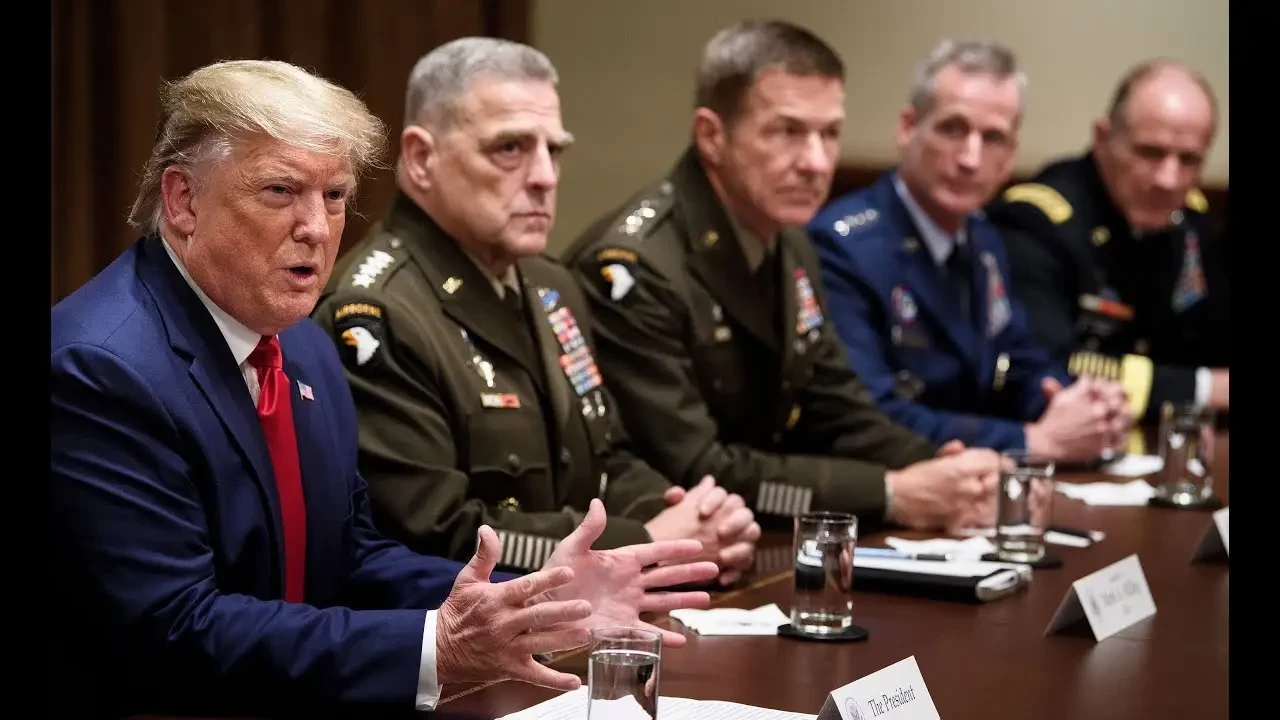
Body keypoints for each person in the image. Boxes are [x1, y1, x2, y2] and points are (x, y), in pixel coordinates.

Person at [49, 59, 718, 717]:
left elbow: (351, 558)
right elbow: (174, 628)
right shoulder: (99, 368)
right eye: (280, 191)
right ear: (183, 201)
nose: (317, 228)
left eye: (335, 196)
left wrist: (537, 600)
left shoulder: (302, 345)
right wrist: (434, 647)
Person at [311, 38, 759, 586]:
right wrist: (645, 543)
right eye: (510, 149)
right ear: (423, 158)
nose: (545, 176)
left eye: (554, 150)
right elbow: (436, 534)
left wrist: (696, 522)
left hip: (579, 611)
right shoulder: (375, 314)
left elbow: (605, 457)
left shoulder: (549, 283)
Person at [563, 20, 1001, 533]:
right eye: (787, 132)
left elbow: (836, 405)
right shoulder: (634, 268)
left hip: (753, 534)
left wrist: (944, 467)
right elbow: (696, 468)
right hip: (658, 541)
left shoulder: (788, 239)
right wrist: (890, 494)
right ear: (711, 136)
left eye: (829, 134)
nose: (816, 162)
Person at [807, 40, 1133, 463]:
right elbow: (869, 413)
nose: (970, 158)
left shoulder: (983, 237)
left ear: (1011, 154)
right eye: (953, 129)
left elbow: (1017, 362)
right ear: (908, 128)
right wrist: (1030, 441)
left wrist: (1082, 407)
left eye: (993, 138)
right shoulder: (844, 245)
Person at [986, 59, 1229, 424]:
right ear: (1102, 137)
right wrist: (1205, 388)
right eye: (1150, 152)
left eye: (1189, 160)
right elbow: (1048, 367)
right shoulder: (1036, 221)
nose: (1168, 179)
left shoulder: (1190, 221)